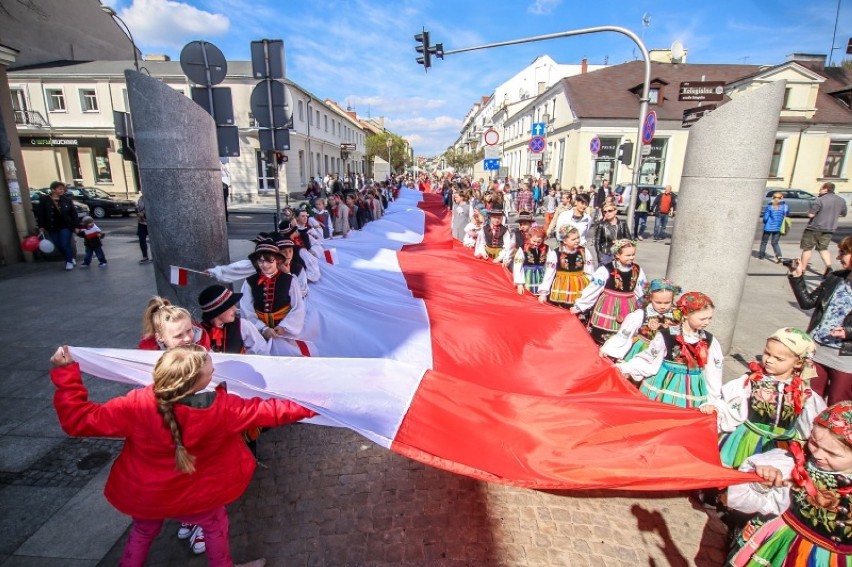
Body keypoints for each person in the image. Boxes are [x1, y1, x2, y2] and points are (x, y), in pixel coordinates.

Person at [49, 343, 314, 567]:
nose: (214, 366)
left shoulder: (135, 404)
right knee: (214, 526)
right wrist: (319, 404)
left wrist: (66, 374)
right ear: (201, 382)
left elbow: (78, 421)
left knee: (143, 530)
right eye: (211, 367)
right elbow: (276, 410)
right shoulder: (224, 409)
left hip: (147, 495)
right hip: (198, 496)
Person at [726, 401, 852, 566]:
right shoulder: (790, 465)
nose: (818, 454)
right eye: (813, 442)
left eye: (831, 453)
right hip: (781, 548)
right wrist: (761, 485)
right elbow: (741, 501)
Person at [714, 327, 826, 469]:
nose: (769, 360)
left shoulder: (804, 393)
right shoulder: (751, 381)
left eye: (779, 358)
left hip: (782, 447)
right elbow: (729, 405)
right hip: (745, 440)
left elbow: (811, 423)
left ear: (798, 363)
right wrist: (716, 410)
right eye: (767, 353)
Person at [617, 291, 722, 410]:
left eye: (710, 318)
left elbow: (714, 372)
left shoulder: (709, 340)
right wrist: (625, 368)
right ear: (686, 314)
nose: (707, 322)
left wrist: (713, 400)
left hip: (693, 389)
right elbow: (649, 359)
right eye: (702, 318)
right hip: (663, 384)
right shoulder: (666, 335)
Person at [788, 236, 852, 405]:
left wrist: (847, 331)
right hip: (818, 350)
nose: (838, 258)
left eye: (843, 253)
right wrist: (797, 277)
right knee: (808, 399)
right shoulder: (836, 278)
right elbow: (807, 302)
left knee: (839, 404)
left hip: (846, 357)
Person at [239, 239, 307, 357]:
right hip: (257, 332)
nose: (264, 265)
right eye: (261, 261)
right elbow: (246, 310)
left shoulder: (290, 280)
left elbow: (298, 307)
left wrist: (284, 326)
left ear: (278, 260)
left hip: (285, 332)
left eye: (269, 261)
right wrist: (263, 328)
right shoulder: (249, 282)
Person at [573, 239, 647, 345]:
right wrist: (580, 305)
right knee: (602, 337)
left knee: (626, 333)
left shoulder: (637, 270)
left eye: (633, 254)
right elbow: (593, 289)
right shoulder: (605, 270)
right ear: (617, 255)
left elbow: (640, 290)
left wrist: (643, 307)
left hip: (629, 304)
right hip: (608, 305)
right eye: (628, 255)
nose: (632, 257)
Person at [600, 278, 681, 362]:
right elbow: (624, 334)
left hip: (665, 352)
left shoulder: (676, 315)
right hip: (642, 351)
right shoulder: (641, 314)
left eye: (667, 302)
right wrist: (608, 349)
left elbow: (679, 335)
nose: (663, 306)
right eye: (658, 302)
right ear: (650, 298)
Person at [198, 285, 268, 355]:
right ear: (218, 311)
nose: (235, 309)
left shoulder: (243, 325)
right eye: (230, 307)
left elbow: (261, 351)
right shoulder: (199, 332)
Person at [538, 225, 594, 309]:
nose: (577, 241)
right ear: (564, 240)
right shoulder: (555, 253)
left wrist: (591, 288)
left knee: (578, 309)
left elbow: (589, 271)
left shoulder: (584, 251)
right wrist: (543, 293)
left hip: (580, 285)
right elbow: (549, 274)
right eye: (573, 239)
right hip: (562, 287)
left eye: (578, 238)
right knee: (562, 309)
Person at [798, 181, 848, 276]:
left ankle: (803, 269)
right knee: (823, 249)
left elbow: (811, 214)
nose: (819, 190)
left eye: (820, 188)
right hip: (830, 228)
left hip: (814, 228)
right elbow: (843, 213)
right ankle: (828, 267)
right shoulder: (841, 200)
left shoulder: (819, 200)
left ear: (825, 189)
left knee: (807, 249)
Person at [138, 297, 211, 351]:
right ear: (160, 337)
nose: (188, 338)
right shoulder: (149, 354)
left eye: (189, 330)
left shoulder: (202, 342)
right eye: (178, 335)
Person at [36, 180, 79, 270]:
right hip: (52, 226)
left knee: (64, 244)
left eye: (62, 189)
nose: (62, 190)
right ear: (53, 190)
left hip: (65, 226)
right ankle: (70, 257)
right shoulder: (45, 200)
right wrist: (41, 226)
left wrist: (76, 226)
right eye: (59, 189)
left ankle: (69, 262)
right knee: (58, 244)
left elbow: (73, 214)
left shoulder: (66, 200)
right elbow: (41, 214)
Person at [758, 191, 789, 262]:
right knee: (775, 243)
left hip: (768, 227)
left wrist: (765, 222)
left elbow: (765, 218)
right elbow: (787, 214)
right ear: (782, 197)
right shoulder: (785, 207)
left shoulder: (770, 206)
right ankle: (779, 256)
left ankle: (761, 255)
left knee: (764, 242)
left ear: (773, 197)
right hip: (778, 227)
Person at [136, 190, 151, 264]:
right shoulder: (140, 199)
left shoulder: (151, 199)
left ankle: (156, 256)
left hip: (150, 224)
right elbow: (138, 209)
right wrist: (139, 215)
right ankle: (145, 257)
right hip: (142, 223)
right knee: (142, 240)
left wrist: (144, 215)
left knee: (153, 241)